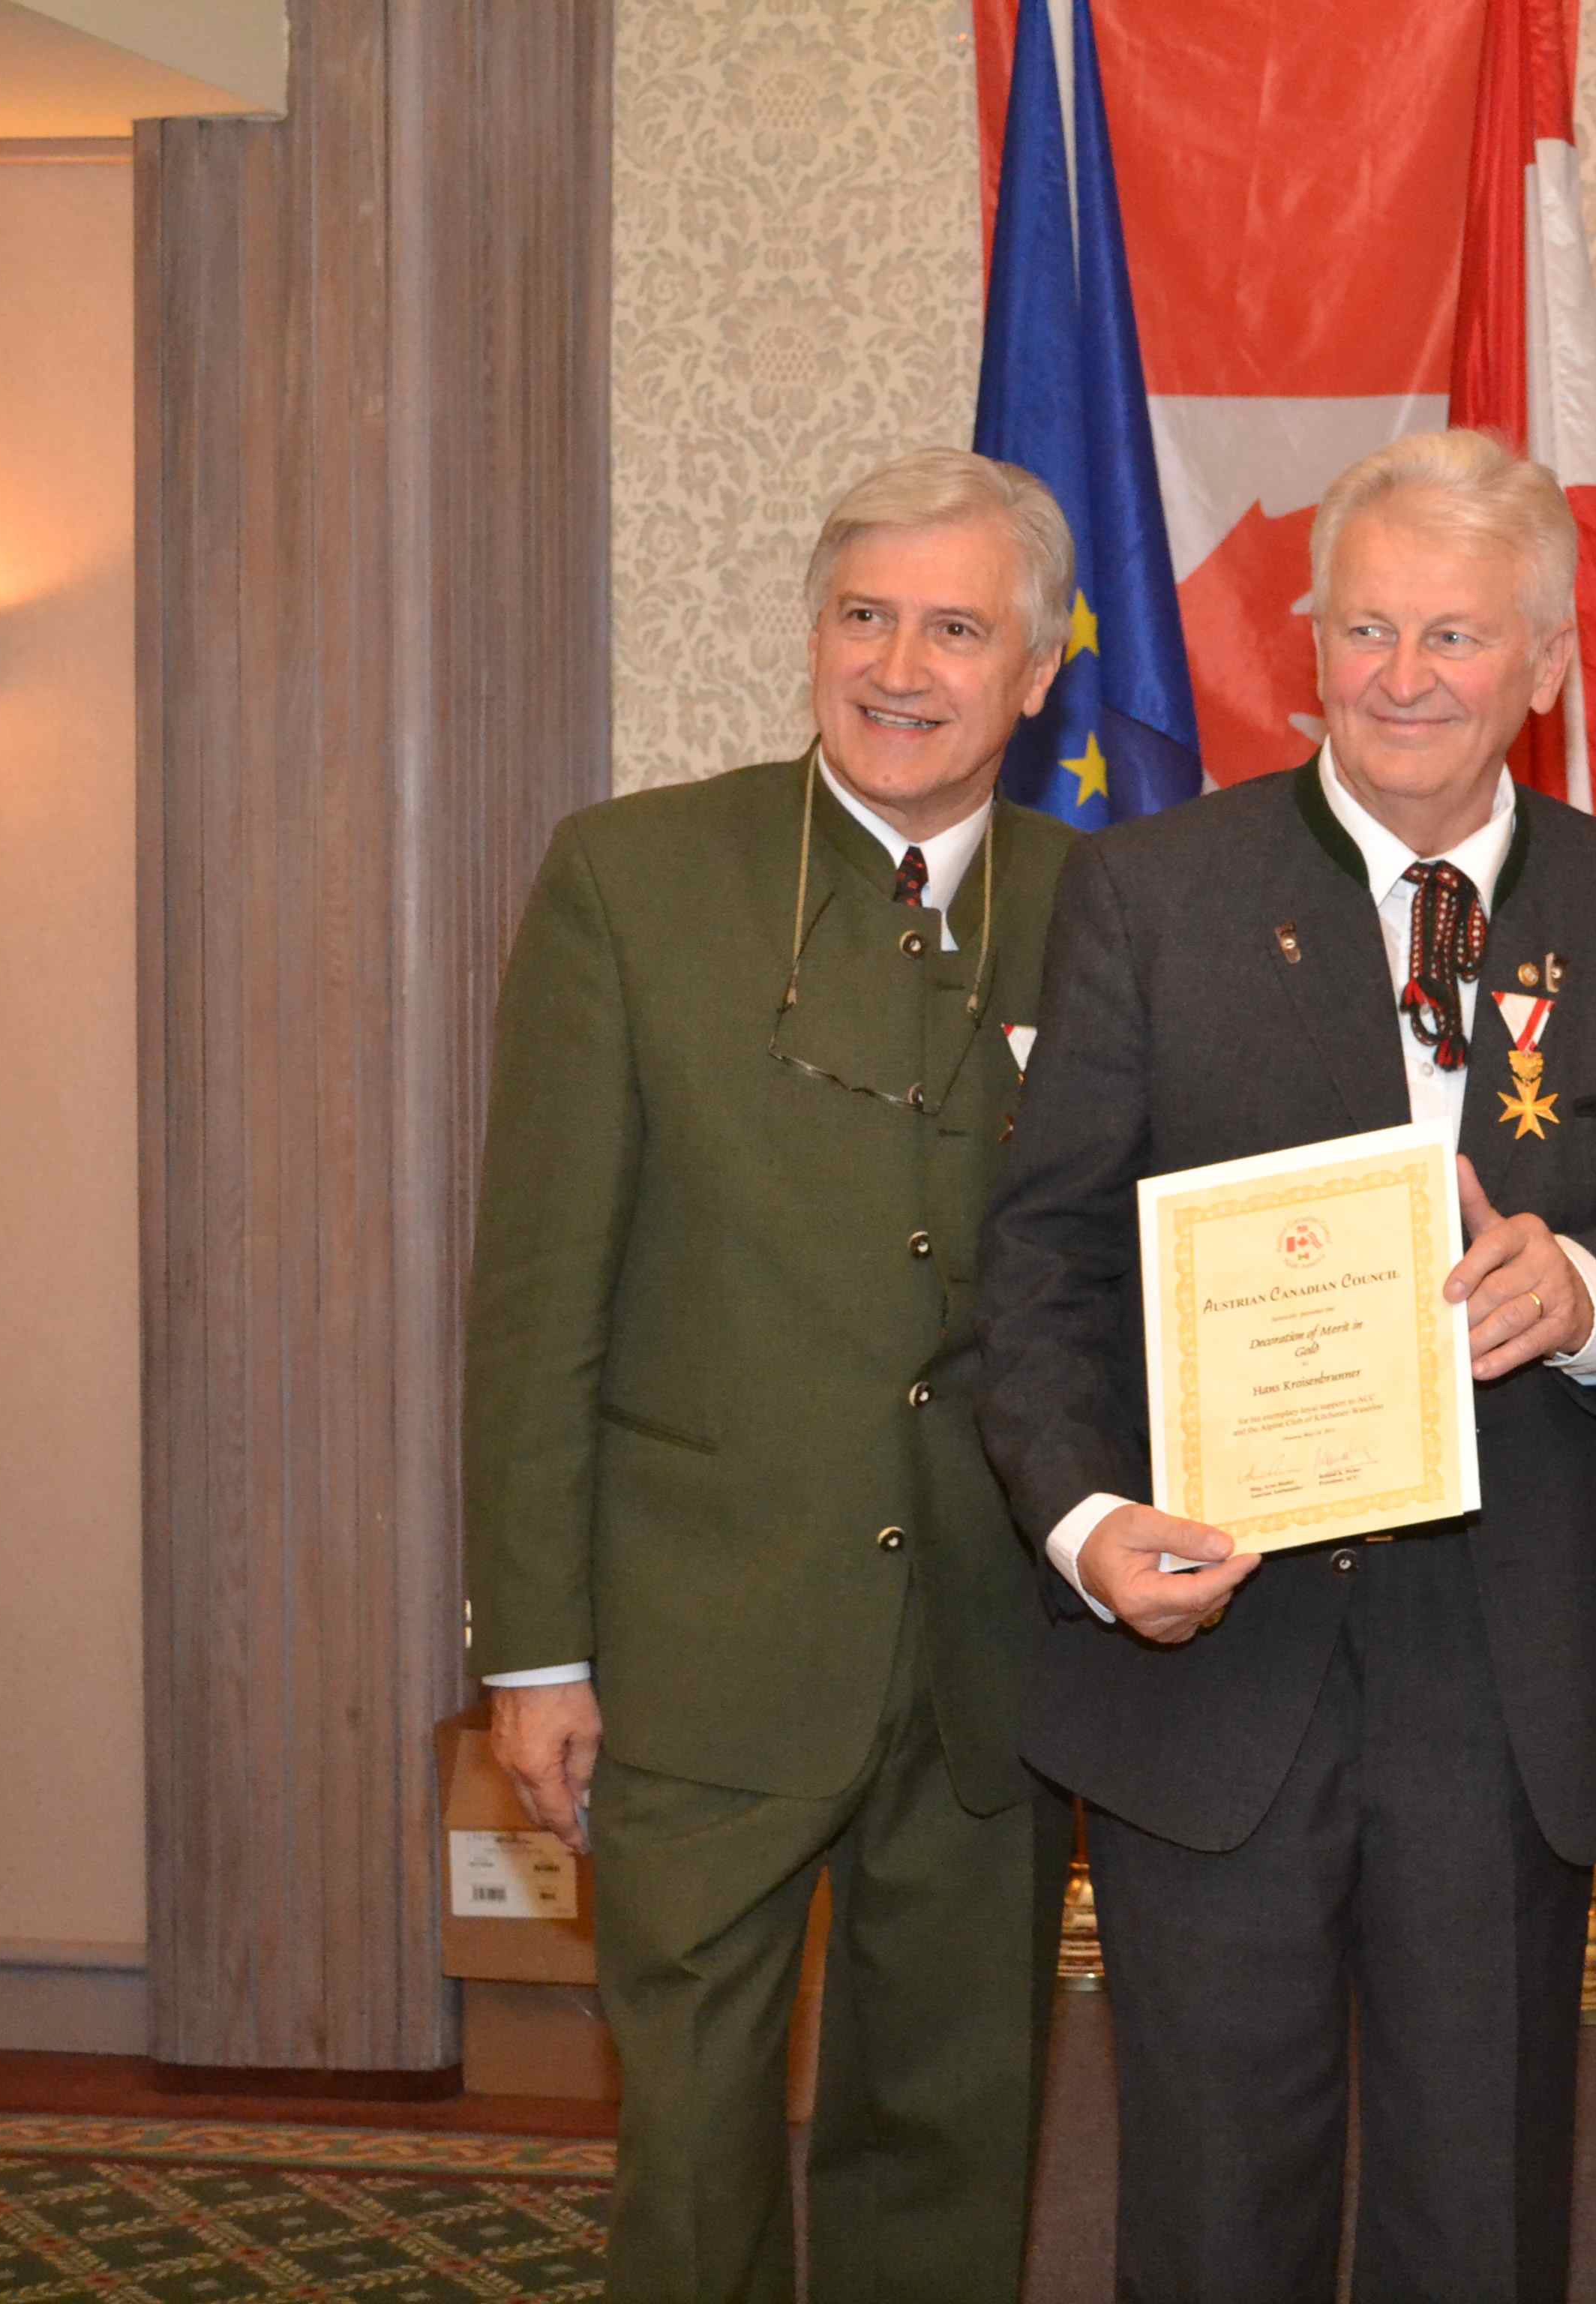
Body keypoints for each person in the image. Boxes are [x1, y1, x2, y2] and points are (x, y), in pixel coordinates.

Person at [976, 428, 1596, 2303]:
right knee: (1208, 2196)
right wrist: (1086, 1525)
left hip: (1510, 1666)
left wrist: (1583, 1292)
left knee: (1476, 2202)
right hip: (1216, 1641)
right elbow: (1048, 1260)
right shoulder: (1151, 896)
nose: (1405, 676)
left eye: (1458, 637)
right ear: (1309, 644)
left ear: (1546, 671)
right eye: (1367, 629)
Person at [461, 449, 1083, 2303]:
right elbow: (536, 1291)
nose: (900, 665)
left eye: (957, 629)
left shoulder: (1111, 906)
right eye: (864, 615)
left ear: (1036, 674)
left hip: (994, 1661)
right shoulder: (634, 878)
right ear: (815, 635)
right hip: (697, 1649)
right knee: (696, 2147)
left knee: (950, 2140)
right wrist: (535, 1651)